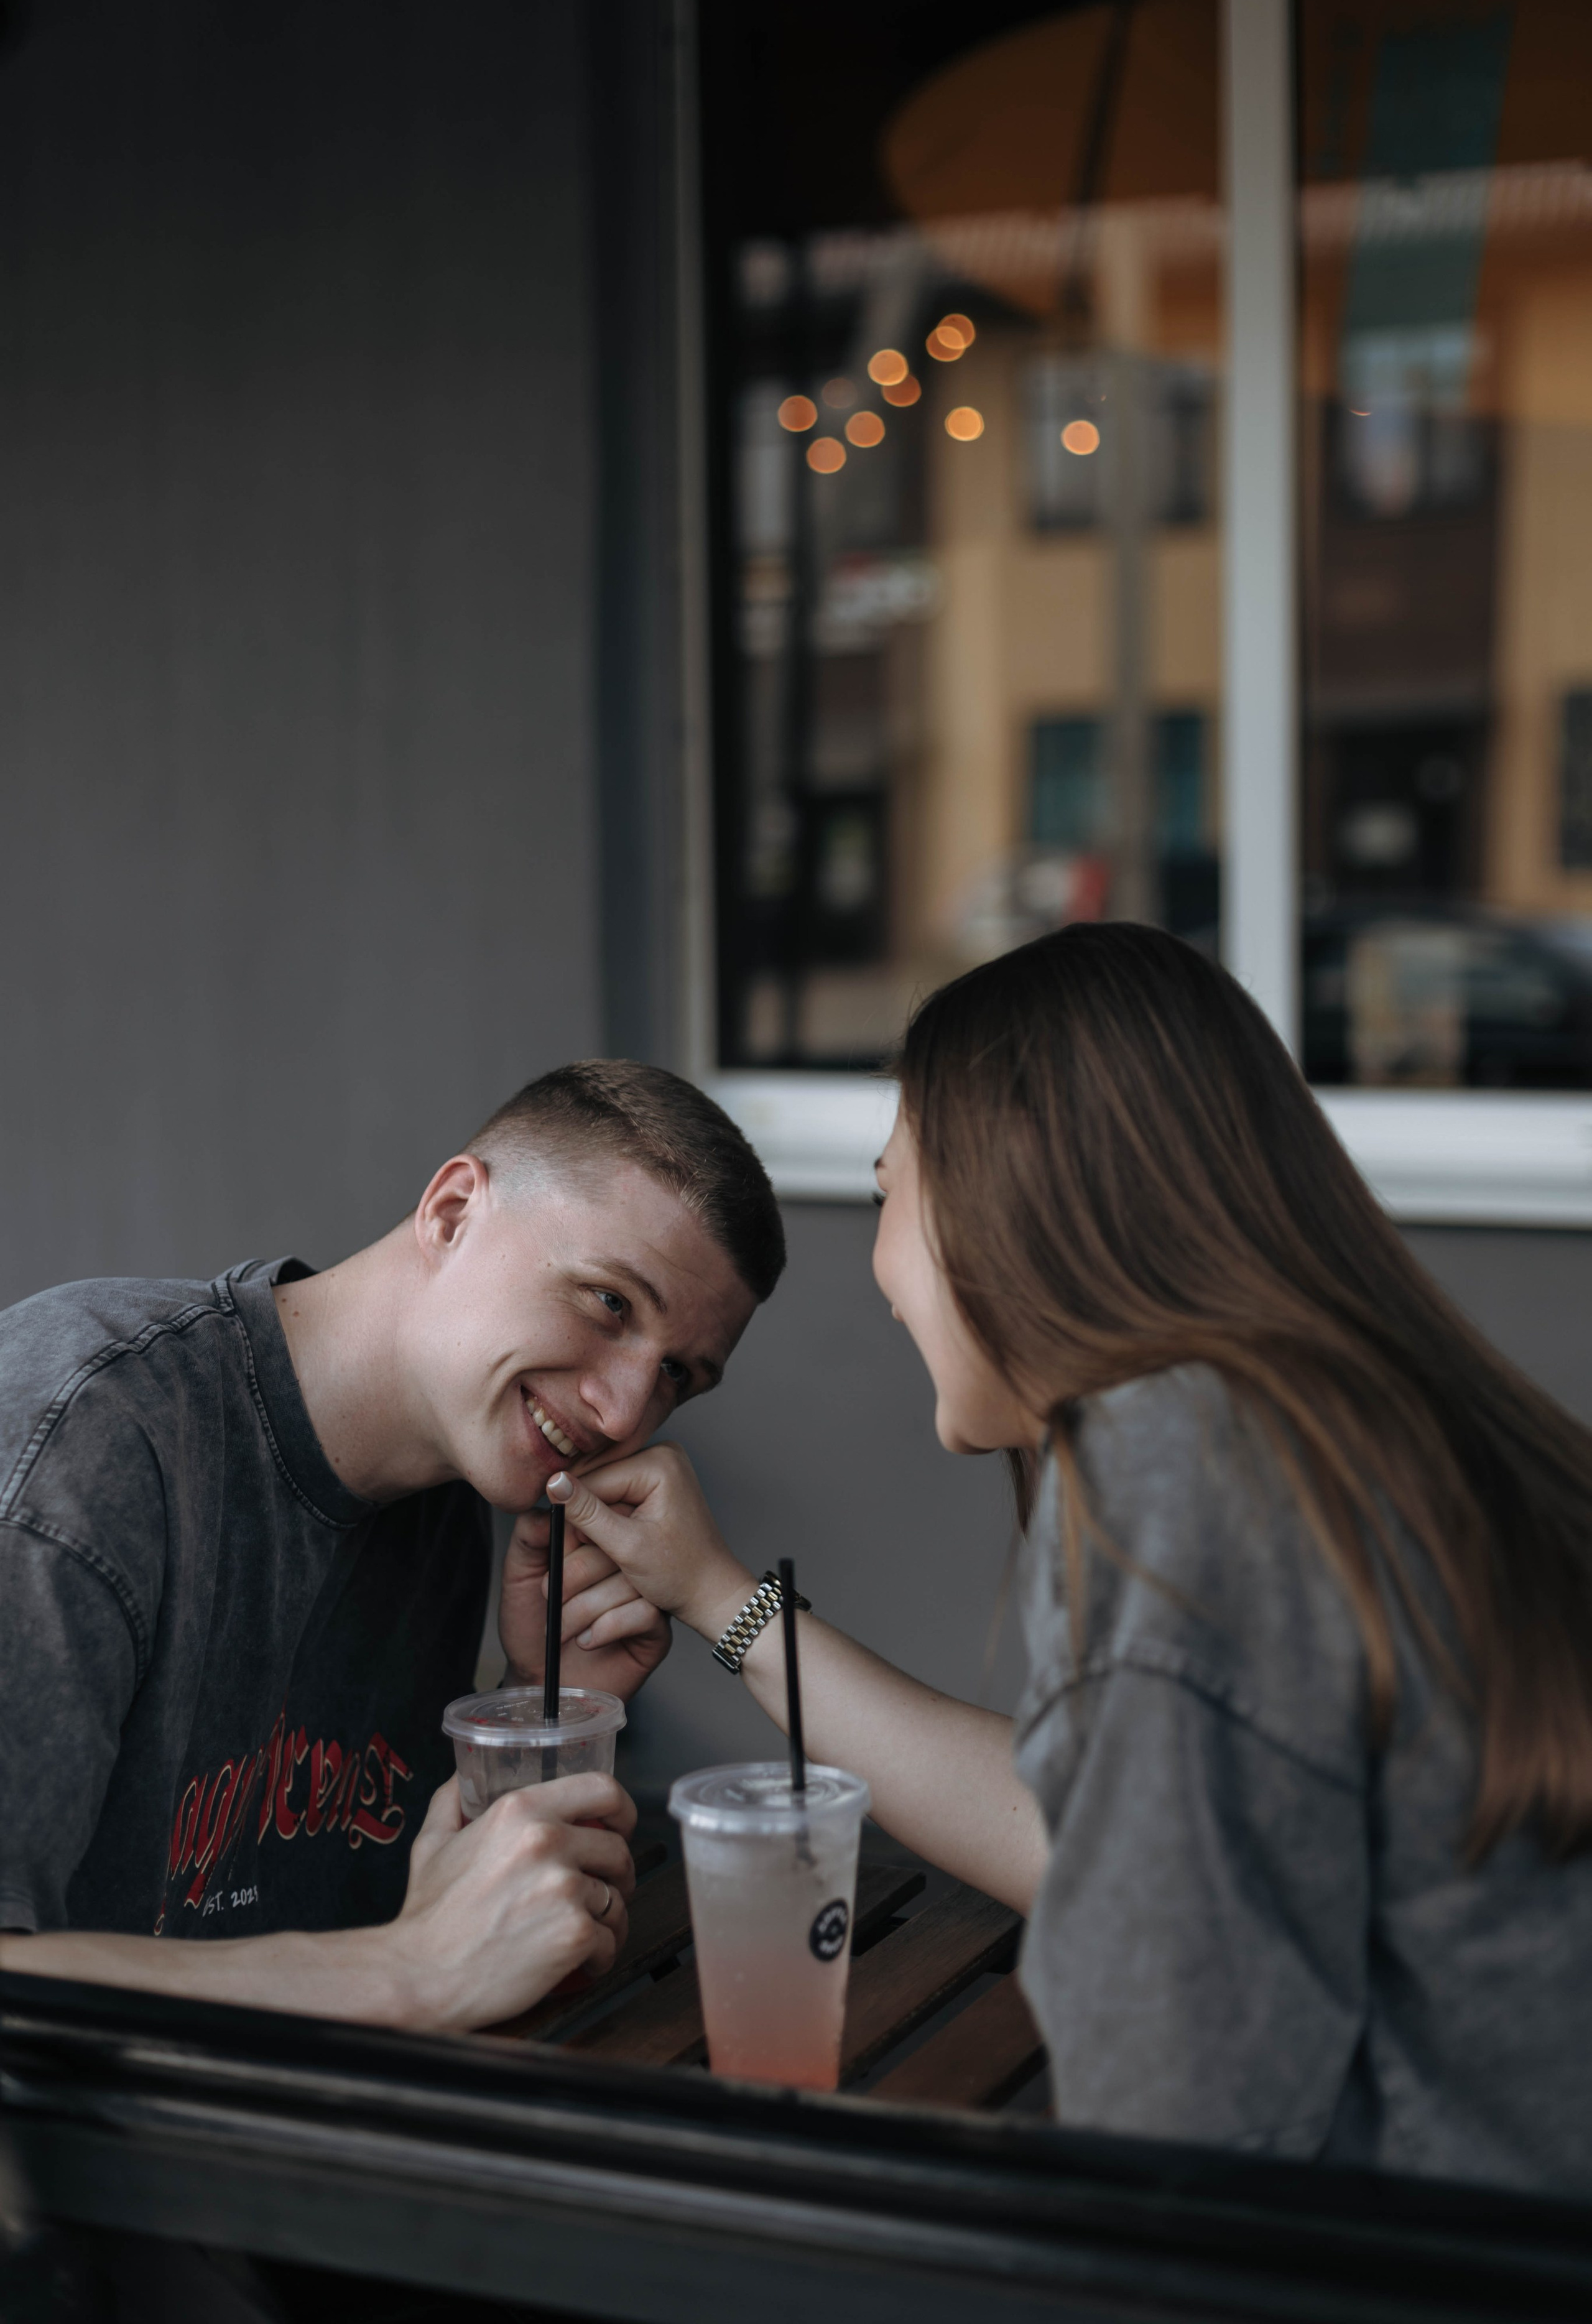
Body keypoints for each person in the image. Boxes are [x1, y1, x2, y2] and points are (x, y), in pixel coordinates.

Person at [556, 925, 1592, 2196]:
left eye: (890, 1195)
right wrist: (714, 1595)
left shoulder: (1172, 1465)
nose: (882, 1273)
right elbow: (1083, 1831)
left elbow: (1171, 2138)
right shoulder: (1342, 1424)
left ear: (1011, 1186)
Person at [0, 1060, 782, 2033]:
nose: (625, 1409)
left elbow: (423, 1942)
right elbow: (404, 1967)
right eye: (609, 1303)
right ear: (453, 1212)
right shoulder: (83, 1438)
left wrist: (548, 1714)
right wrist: (404, 1972)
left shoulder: (446, 1504)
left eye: (676, 1376)